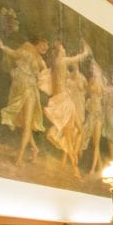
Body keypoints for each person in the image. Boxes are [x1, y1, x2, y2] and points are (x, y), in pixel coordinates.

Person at [0, 35, 49, 166]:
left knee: (27, 124)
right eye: (43, 44)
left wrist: (41, 81)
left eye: (47, 46)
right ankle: (35, 148)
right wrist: (2, 46)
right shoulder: (26, 50)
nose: (45, 48)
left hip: (30, 91)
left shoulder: (41, 61)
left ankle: (20, 156)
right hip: (19, 89)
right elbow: (14, 54)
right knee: (25, 124)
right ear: (37, 43)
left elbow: (46, 78)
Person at [43, 40, 91, 178]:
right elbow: (77, 58)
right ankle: (75, 169)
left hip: (66, 100)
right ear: (59, 50)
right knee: (69, 137)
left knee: (80, 130)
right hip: (63, 102)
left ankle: (74, 154)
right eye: (63, 48)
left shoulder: (57, 64)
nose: (65, 50)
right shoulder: (61, 61)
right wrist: (86, 52)